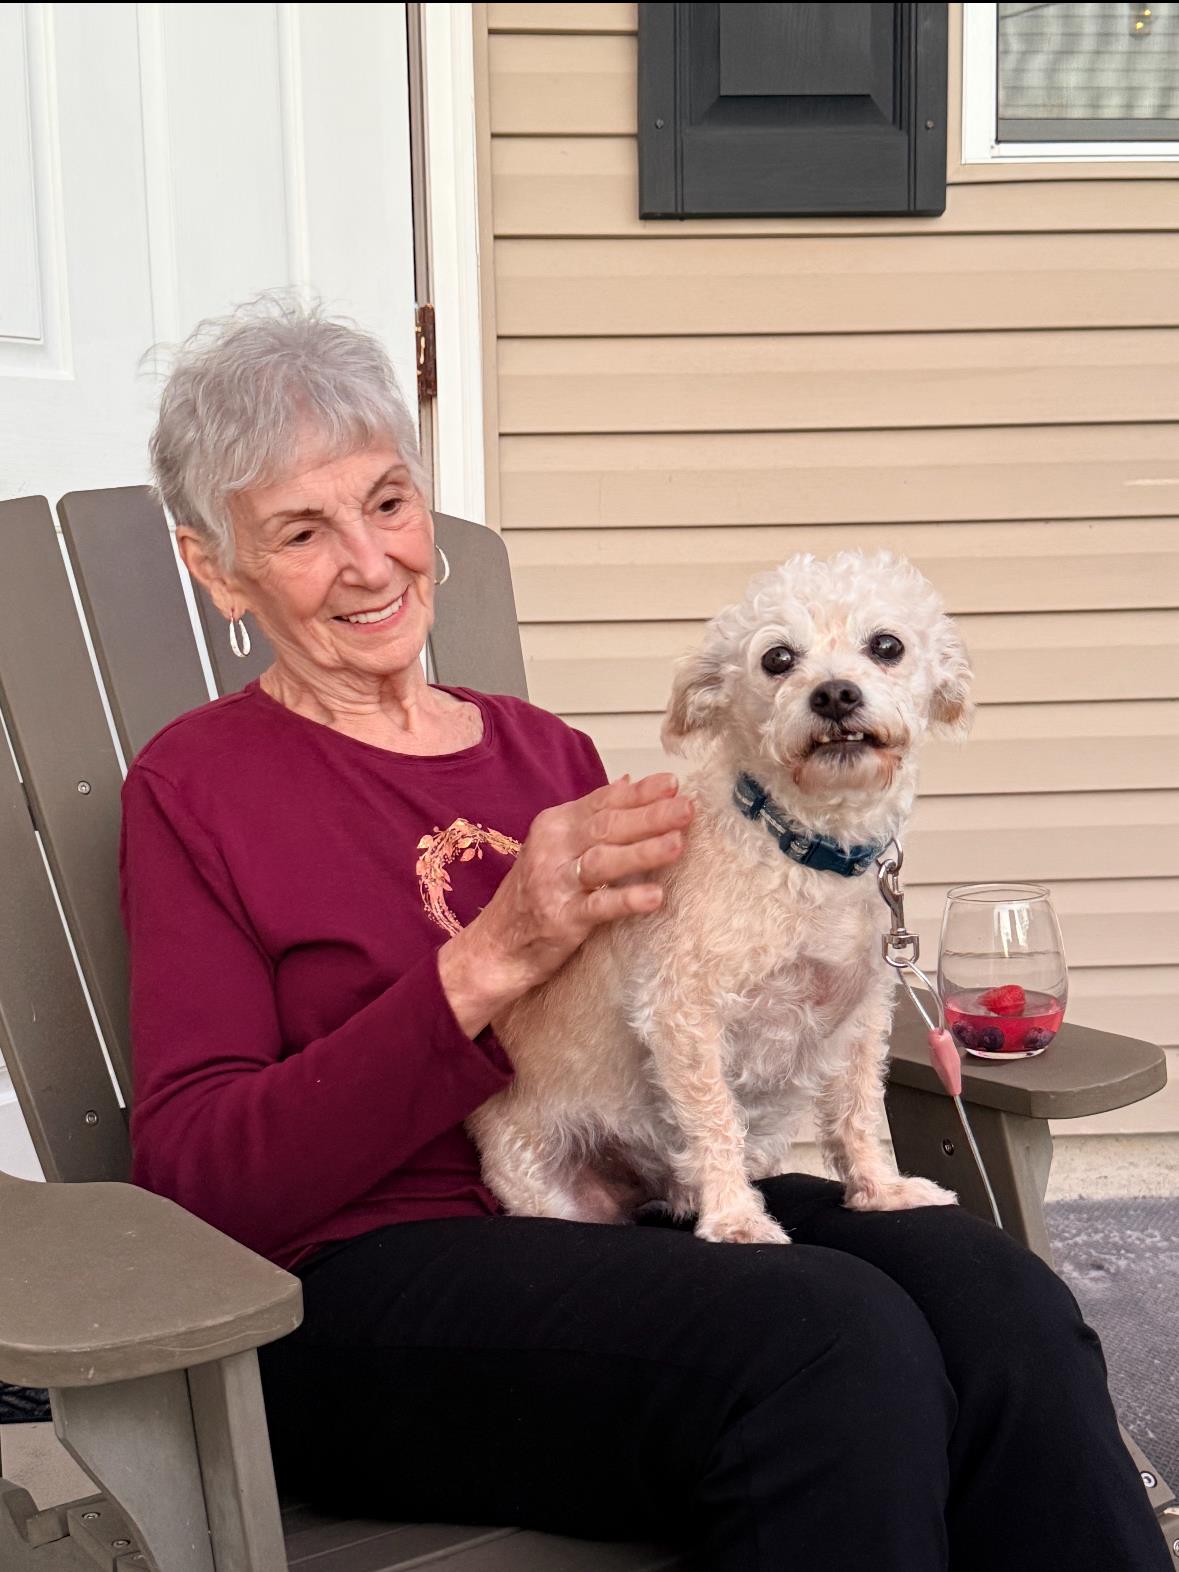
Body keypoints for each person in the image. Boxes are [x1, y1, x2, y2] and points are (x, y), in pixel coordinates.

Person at [121, 298, 1169, 1572]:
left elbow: (708, 961)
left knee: (1001, 1307)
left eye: (388, 503)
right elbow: (196, 1176)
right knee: (833, 1344)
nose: (370, 559)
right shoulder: (197, 789)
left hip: (649, 1196)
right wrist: (491, 954)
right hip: (357, 1291)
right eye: (300, 530)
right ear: (215, 568)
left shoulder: (538, 751)